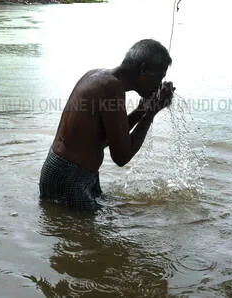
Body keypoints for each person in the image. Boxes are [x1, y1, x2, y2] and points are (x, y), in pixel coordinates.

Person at [39, 39, 175, 211]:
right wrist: (151, 114)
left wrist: (141, 111)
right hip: (70, 178)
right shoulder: (112, 88)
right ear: (143, 70)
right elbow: (121, 157)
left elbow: (105, 138)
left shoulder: (98, 76)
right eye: (159, 78)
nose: (158, 86)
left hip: (65, 171)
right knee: (86, 235)